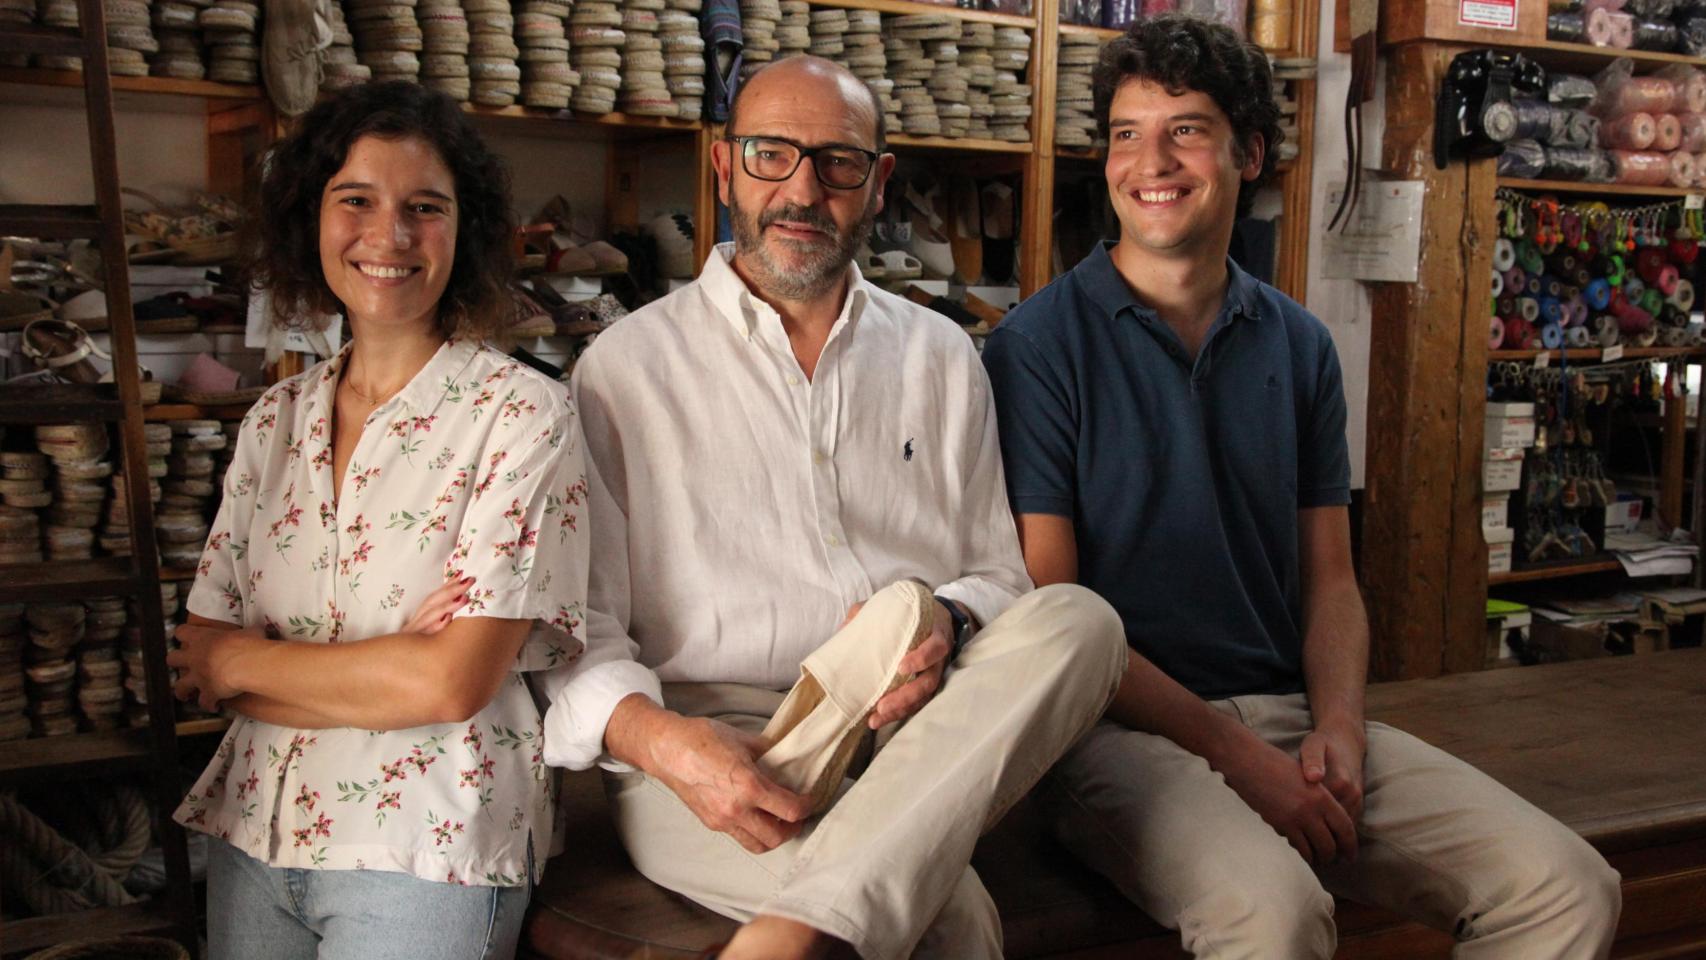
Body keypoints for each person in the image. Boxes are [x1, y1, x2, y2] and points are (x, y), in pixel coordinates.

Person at [982, 15, 1623, 959]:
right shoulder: (1037, 348)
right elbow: (1059, 616)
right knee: (1274, 916)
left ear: (1250, 151)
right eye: (1126, 133)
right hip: (1113, 739)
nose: (1149, 160)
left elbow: (1331, 581)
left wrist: (1342, 732)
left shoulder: (1299, 342)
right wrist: (1238, 758)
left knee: (1566, 887)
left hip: (1286, 712)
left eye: (1185, 129)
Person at [532, 55, 1127, 960]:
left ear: (878, 183)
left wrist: (950, 618)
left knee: (1080, 620)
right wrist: (673, 748)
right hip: (721, 742)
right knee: (950, 920)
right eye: (772, 155)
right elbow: (579, 633)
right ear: (724, 167)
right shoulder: (625, 369)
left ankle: (780, 934)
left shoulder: (940, 355)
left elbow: (1005, 576)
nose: (803, 190)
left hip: (917, 730)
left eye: (838, 163)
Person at [168, 82, 588, 960]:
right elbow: (198, 664)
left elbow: (447, 687)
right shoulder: (274, 418)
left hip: (426, 845)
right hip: (256, 829)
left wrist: (254, 661)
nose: (388, 235)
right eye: (354, 199)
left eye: (423, 208)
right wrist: (385, 665)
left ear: (462, 230)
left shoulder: (520, 418)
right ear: (310, 218)